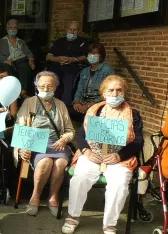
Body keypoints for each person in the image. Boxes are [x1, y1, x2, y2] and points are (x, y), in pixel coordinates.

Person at [62, 75, 143, 234]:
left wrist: (119, 156)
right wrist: (86, 151)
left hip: (119, 159)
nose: (115, 94)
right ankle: (73, 217)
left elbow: (138, 141)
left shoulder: (133, 114)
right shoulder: (94, 110)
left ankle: (109, 225)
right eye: (110, 90)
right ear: (103, 93)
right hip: (93, 155)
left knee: (119, 184)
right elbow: (80, 135)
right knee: (80, 178)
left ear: (124, 92)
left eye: (119, 90)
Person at [16, 71, 75, 216]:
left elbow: (70, 130)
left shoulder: (60, 105)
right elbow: (20, 127)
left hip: (57, 143)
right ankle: (35, 197)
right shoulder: (29, 102)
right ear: (37, 87)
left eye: (49, 86)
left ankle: (53, 197)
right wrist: (21, 148)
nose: (45, 89)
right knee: (45, 162)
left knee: (61, 163)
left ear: (55, 87)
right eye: (42, 86)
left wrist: (64, 139)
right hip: (35, 143)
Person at [47, 21, 88, 109]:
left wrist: (74, 59)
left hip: (73, 66)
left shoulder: (83, 42)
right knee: (52, 78)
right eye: (70, 29)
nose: (72, 32)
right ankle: (50, 104)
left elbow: (86, 57)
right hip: (57, 66)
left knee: (69, 79)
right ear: (66, 30)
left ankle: (66, 107)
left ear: (78, 31)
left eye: (75, 30)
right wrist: (57, 59)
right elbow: (48, 56)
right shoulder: (59, 42)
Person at [71, 43, 114, 122]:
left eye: (94, 53)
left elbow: (108, 93)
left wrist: (89, 105)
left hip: (99, 103)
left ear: (101, 55)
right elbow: (79, 89)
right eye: (90, 53)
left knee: (90, 117)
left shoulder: (107, 70)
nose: (91, 55)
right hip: (84, 101)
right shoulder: (84, 71)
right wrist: (77, 102)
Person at [0, 19, 35, 98]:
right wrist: (5, 60)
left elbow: (29, 53)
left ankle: (23, 92)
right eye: (11, 27)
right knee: (7, 68)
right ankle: (13, 91)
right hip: (7, 61)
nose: (13, 29)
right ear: (7, 29)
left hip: (20, 60)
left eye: (15, 27)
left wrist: (31, 60)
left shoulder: (21, 41)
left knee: (24, 67)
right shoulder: (1, 41)